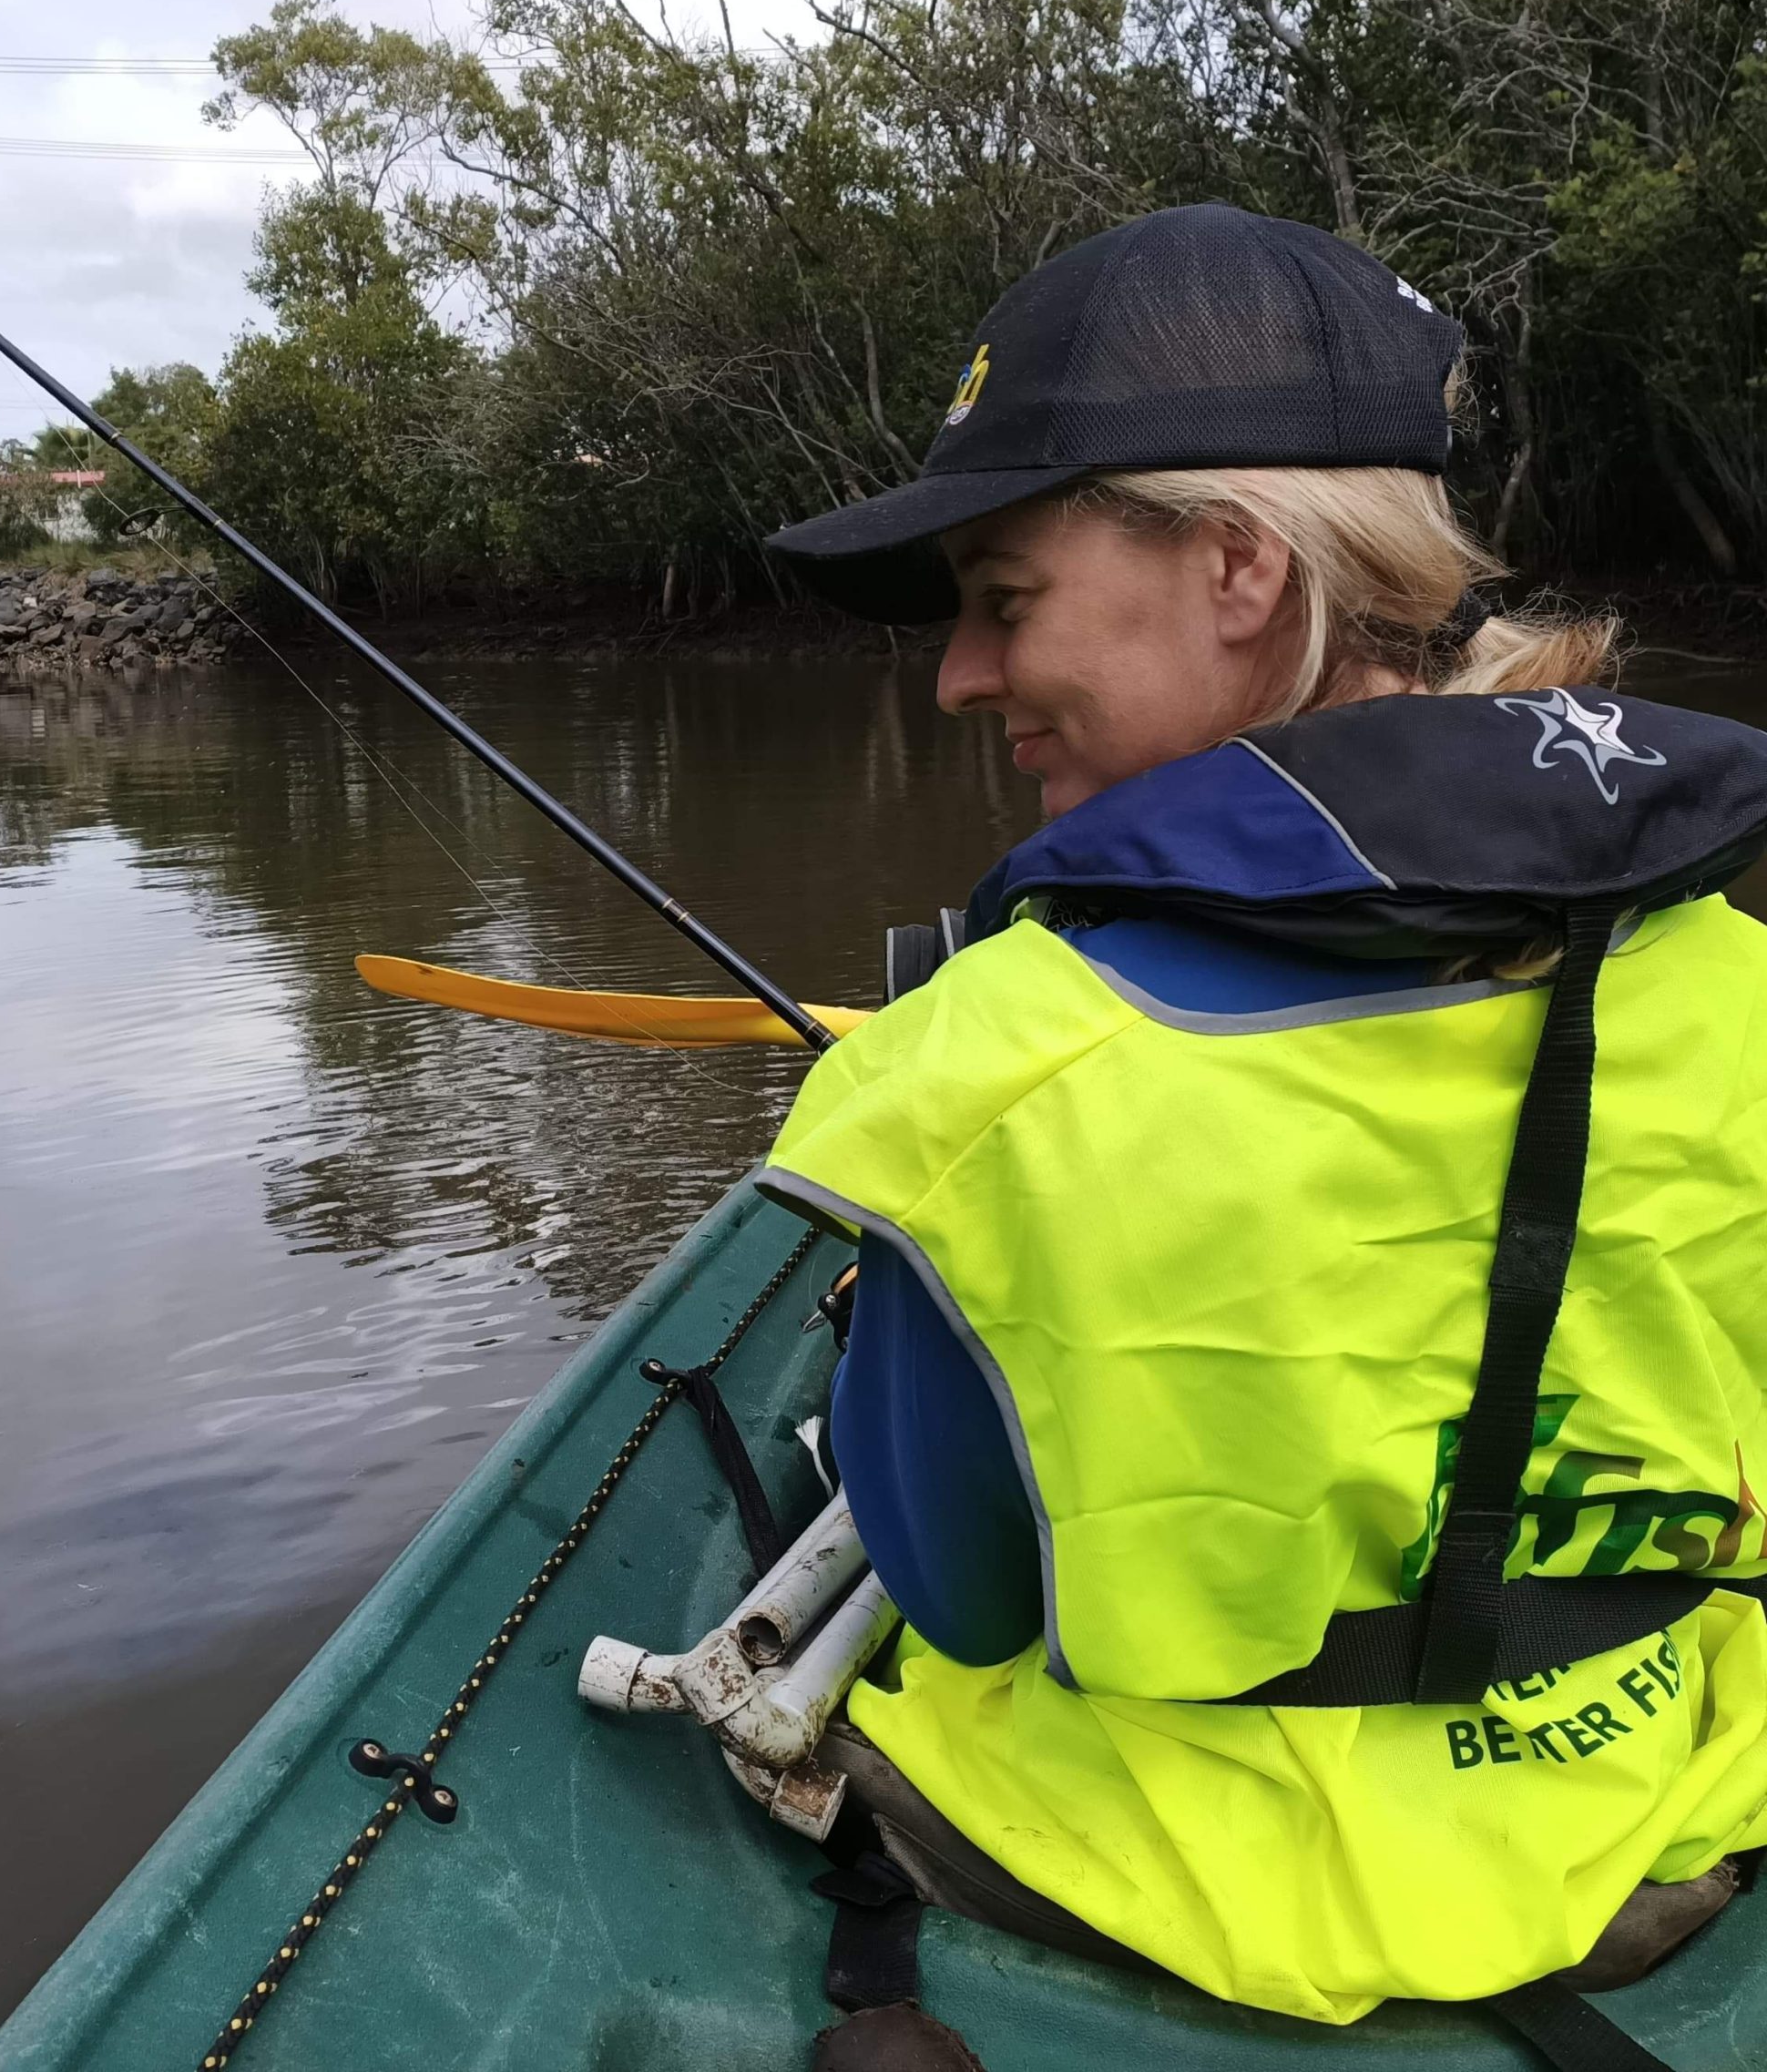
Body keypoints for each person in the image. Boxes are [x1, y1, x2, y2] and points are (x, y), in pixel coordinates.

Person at [754, 205, 1767, 2050]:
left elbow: (963, 1595)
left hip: (1171, 1880)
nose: (957, 680)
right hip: (1653, 1821)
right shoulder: (1728, 970)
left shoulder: (993, 1061)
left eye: (1001, 601)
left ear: (1234, 566)